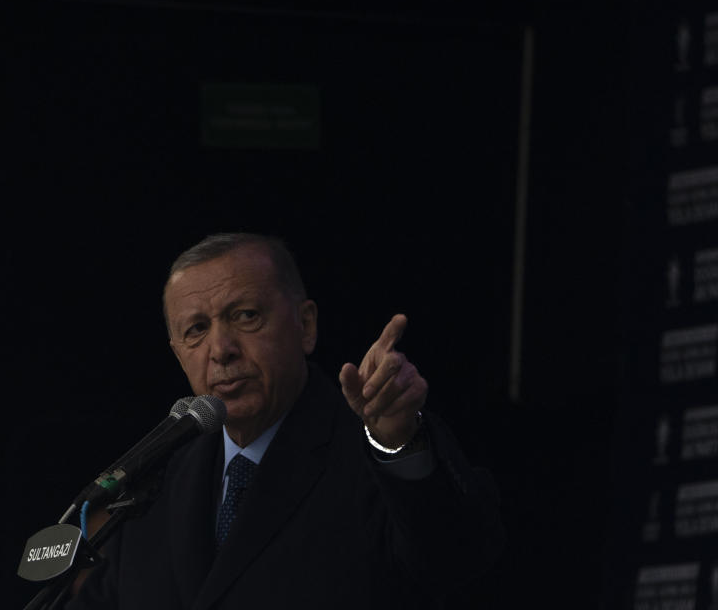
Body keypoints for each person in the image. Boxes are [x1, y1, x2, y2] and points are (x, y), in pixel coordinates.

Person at [67, 233, 502, 610]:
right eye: (196, 329)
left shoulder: (377, 448)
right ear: (178, 352)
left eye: (246, 316)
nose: (220, 349)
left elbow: (453, 561)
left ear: (306, 325)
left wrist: (397, 444)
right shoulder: (152, 482)